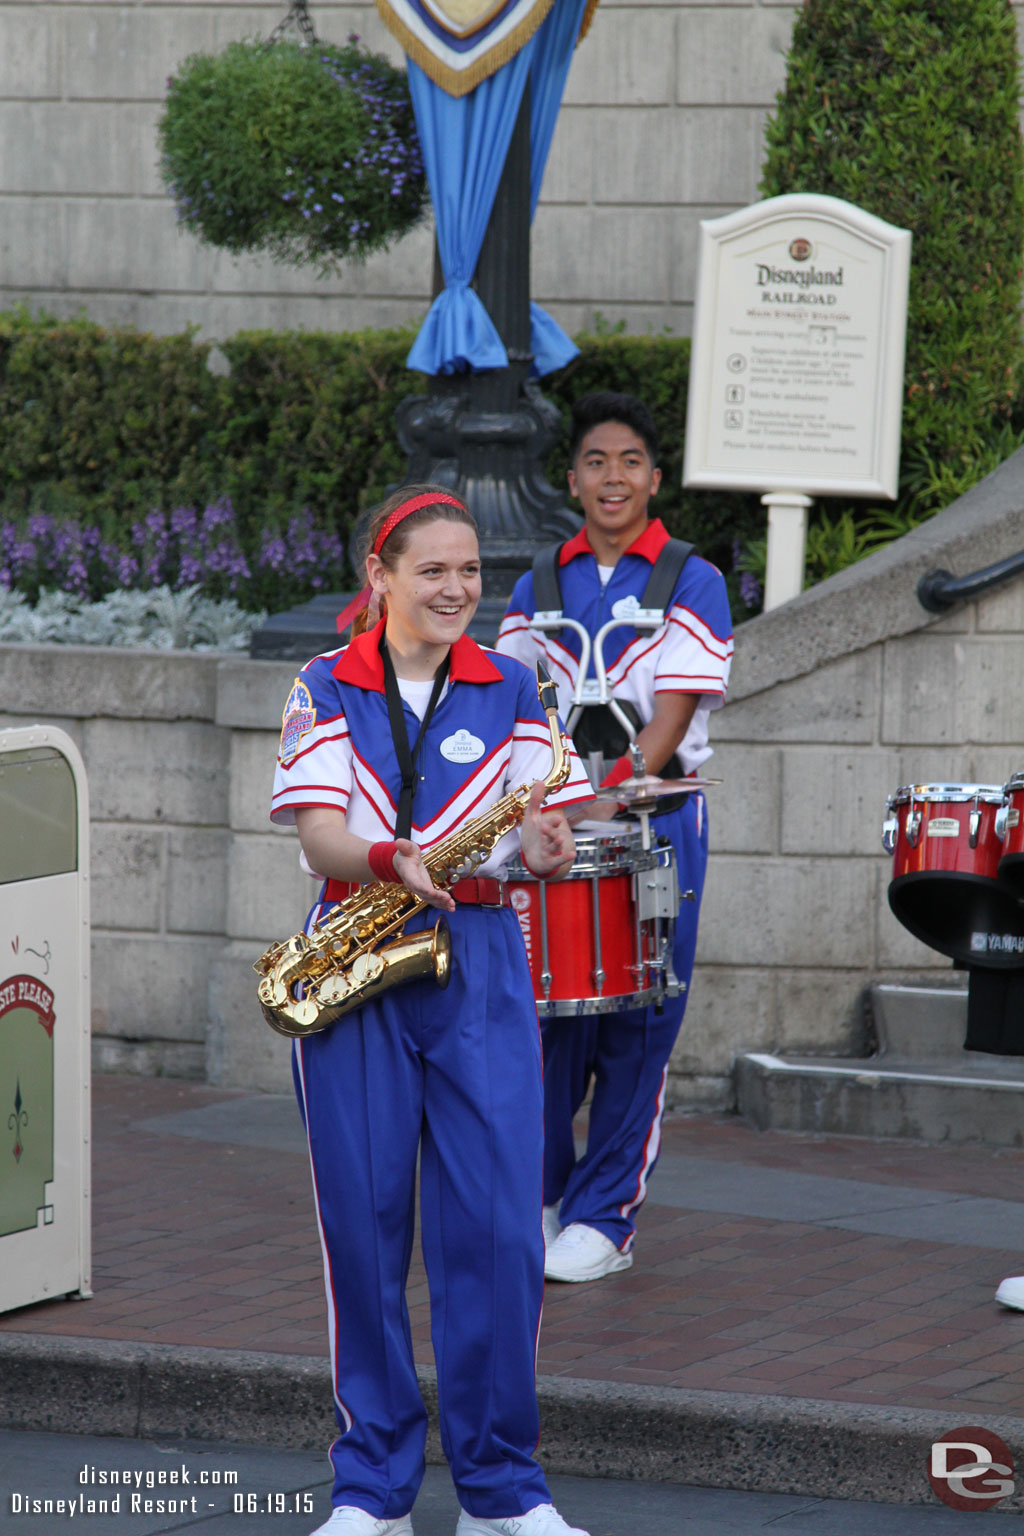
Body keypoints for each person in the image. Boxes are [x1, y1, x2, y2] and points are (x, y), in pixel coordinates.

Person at [269, 486, 595, 1536]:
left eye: (470, 572)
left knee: (499, 1231)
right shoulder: (326, 684)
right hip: (360, 949)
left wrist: (548, 842)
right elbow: (318, 836)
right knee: (362, 1231)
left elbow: (547, 821)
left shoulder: (513, 681)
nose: (457, 588)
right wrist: (383, 857)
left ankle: (503, 1495)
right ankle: (372, 1491)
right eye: (433, 571)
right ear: (381, 575)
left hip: (484, 958)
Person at [496, 393, 733, 1284]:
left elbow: (671, 718)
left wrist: (605, 795)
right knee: (547, 1014)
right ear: (572, 478)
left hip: (656, 823)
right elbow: (516, 710)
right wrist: (537, 805)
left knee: (642, 1016)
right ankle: (545, 1196)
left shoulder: (690, 577)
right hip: (556, 824)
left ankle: (606, 1218)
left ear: (654, 477)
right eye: (596, 462)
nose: (613, 478)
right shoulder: (537, 585)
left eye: (630, 461)